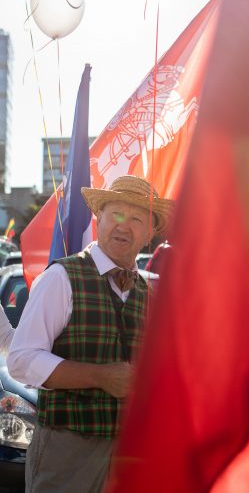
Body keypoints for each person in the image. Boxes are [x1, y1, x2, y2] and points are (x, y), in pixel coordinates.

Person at [7, 175, 174, 493]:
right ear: (99, 218)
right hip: (68, 450)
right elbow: (21, 361)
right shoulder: (61, 277)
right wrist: (101, 376)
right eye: (117, 214)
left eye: (137, 218)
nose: (124, 225)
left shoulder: (147, 294)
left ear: (151, 232)